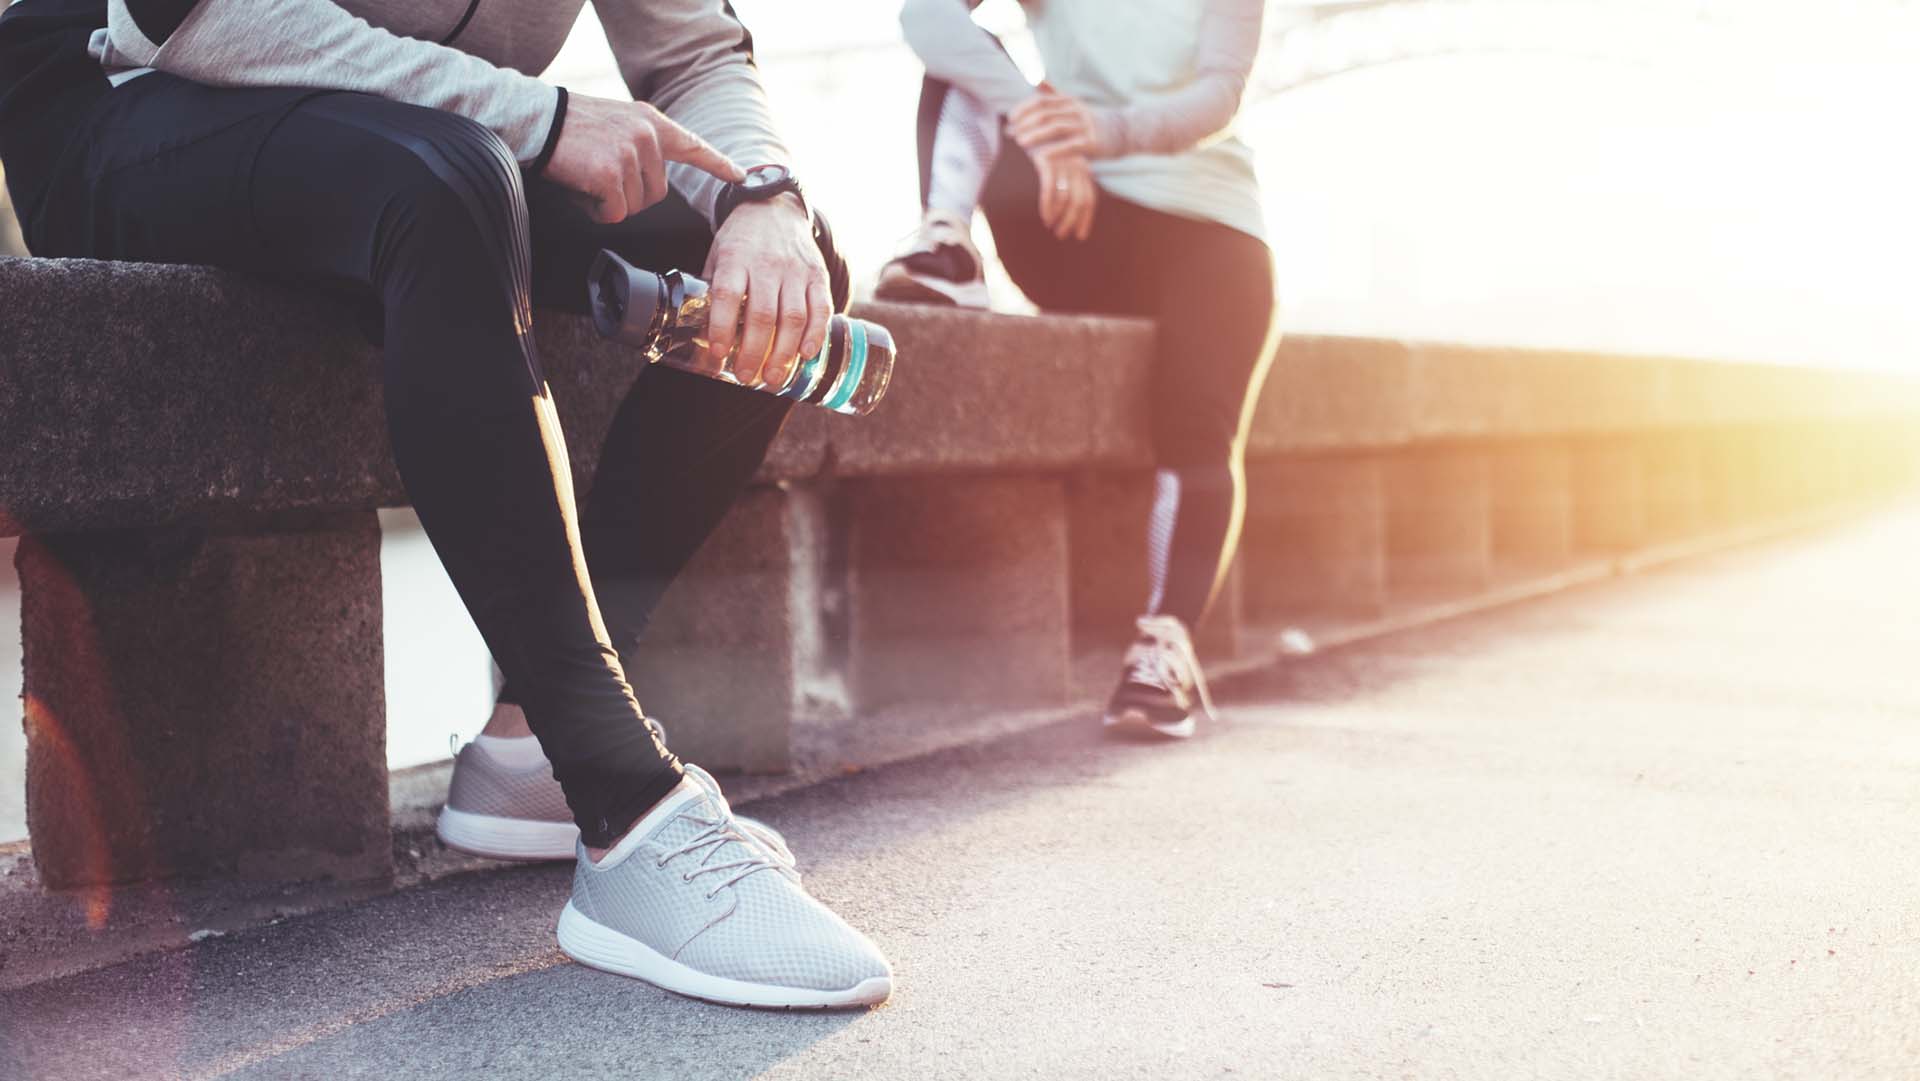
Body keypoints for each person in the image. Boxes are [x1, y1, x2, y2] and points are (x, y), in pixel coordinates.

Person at [0, 0, 890, 1008]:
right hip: (128, 103)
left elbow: (690, 50)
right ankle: (623, 801)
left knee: (774, 275)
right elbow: (187, 23)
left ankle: (531, 748)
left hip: (424, 139)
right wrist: (541, 120)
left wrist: (766, 202)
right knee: (453, 176)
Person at [879, 0, 1277, 740]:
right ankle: (946, 244)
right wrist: (1037, 119)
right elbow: (927, 16)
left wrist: (1100, 131)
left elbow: (1221, 92)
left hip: (1210, 232)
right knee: (967, 54)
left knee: (1197, 428)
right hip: (1074, 213)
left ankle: (1163, 651)